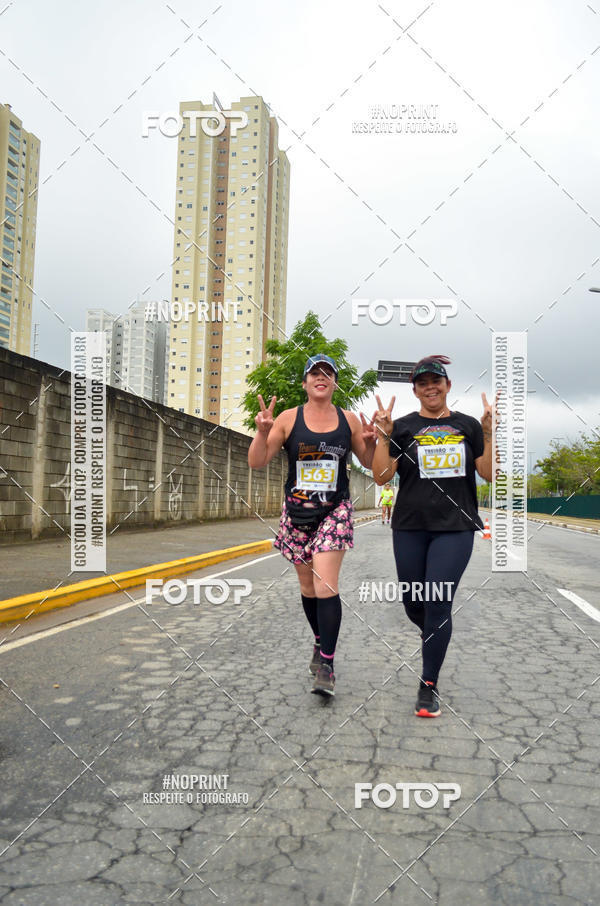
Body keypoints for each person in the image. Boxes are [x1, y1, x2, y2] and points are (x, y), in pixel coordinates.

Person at [372, 355, 496, 718]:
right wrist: (383, 435)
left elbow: (488, 474)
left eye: (436, 381)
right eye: (423, 382)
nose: (430, 387)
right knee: (415, 603)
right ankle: (433, 632)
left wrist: (489, 432)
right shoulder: (403, 427)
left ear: (448, 386)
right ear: (415, 390)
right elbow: (381, 476)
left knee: (438, 600)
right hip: (410, 526)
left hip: (455, 528)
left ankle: (428, 684)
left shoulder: (468, 425)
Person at [248, 354, 377, 697]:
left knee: (325, 585)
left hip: (334, 511)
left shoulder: (348, 420)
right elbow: (257, 462)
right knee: (308, 588)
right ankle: (320, 641)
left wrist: (374, 441)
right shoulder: (289, 419)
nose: (322, 377)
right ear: (305, 383)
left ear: (334, 383)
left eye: (328, 373)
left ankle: (328, 666)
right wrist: (261, 433)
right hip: (296, 514)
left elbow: (369, 463)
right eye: (314, 373)